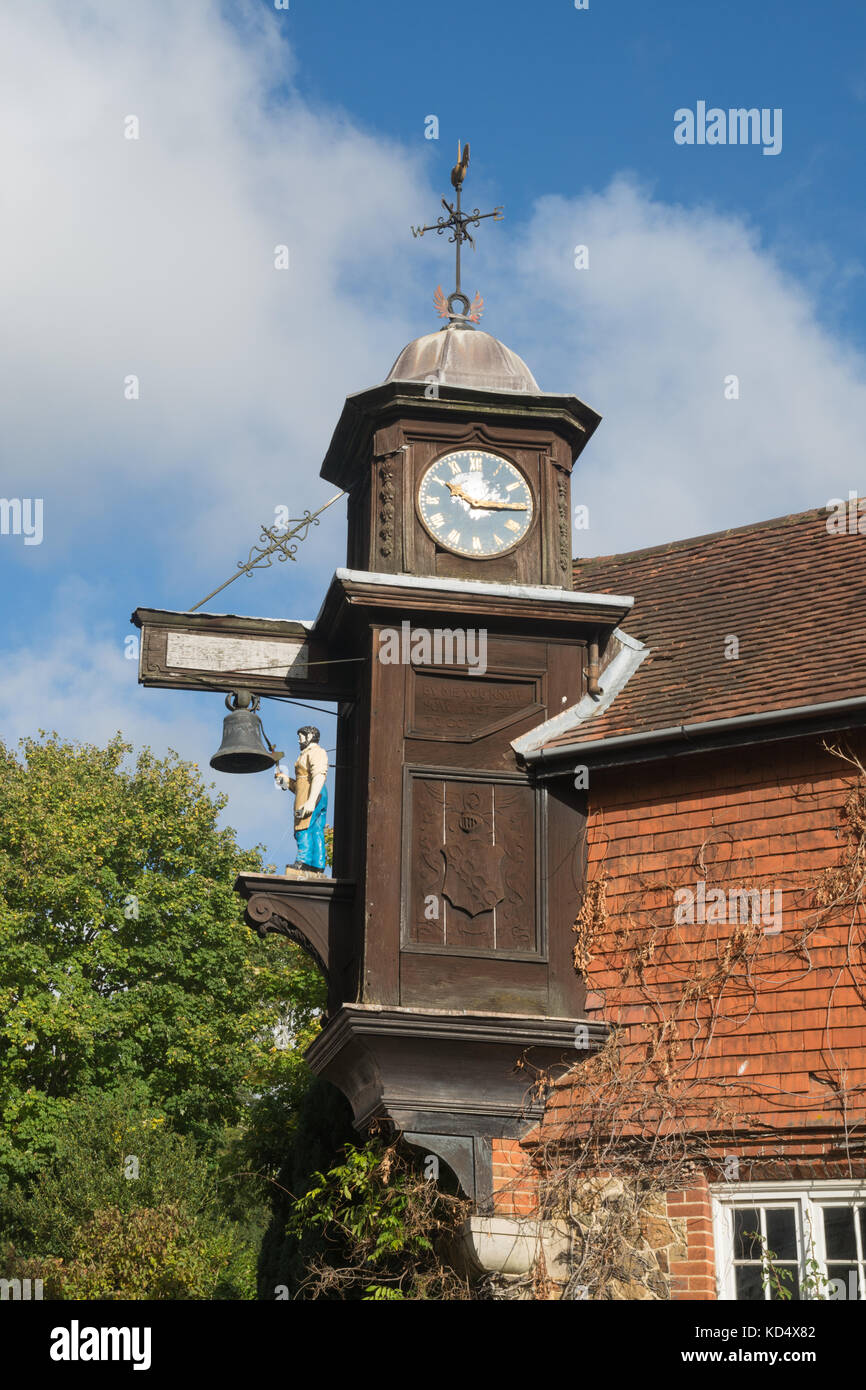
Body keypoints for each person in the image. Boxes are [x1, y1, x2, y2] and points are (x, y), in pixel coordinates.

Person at [274, 726, 328, 873]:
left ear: (310, 736)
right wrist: (286, 781)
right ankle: (317, 863)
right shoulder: (306, 754)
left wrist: (311, 800)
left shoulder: (316, 752)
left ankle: (303, 861)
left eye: (301, 736)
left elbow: (319, 775)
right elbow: (301, 785)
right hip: (310, 792)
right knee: (316, 829)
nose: (299, 739)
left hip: (313, 793)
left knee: (303, 827)